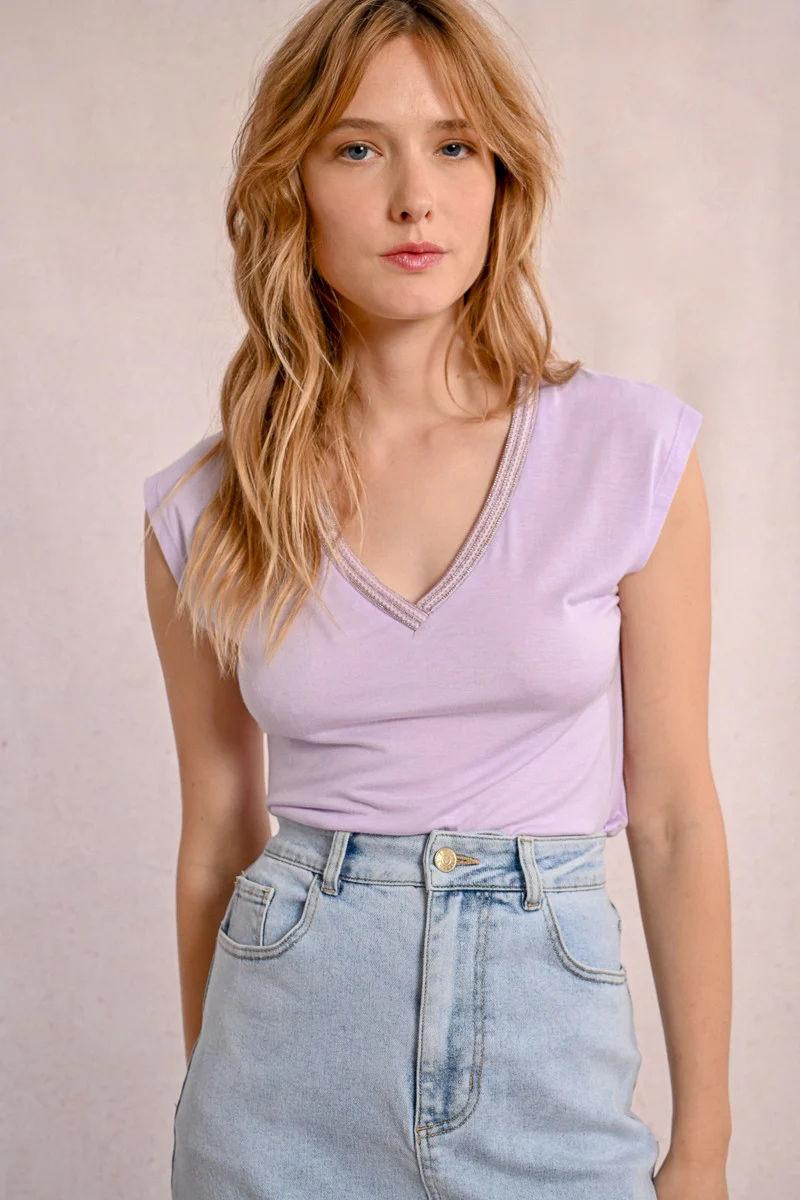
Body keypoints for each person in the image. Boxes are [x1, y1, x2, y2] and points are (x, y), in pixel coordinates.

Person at [142, 2, 732, 1198]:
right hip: (278, 1074)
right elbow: (216, 834)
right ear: (292, 187)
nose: (414, 197)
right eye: (358, 148)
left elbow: (670, 814)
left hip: (549, 1075)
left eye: (454, 145)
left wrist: (702, 1148)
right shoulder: (208, 504)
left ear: (501, 183)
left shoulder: (629, 453)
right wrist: (212, 1096)